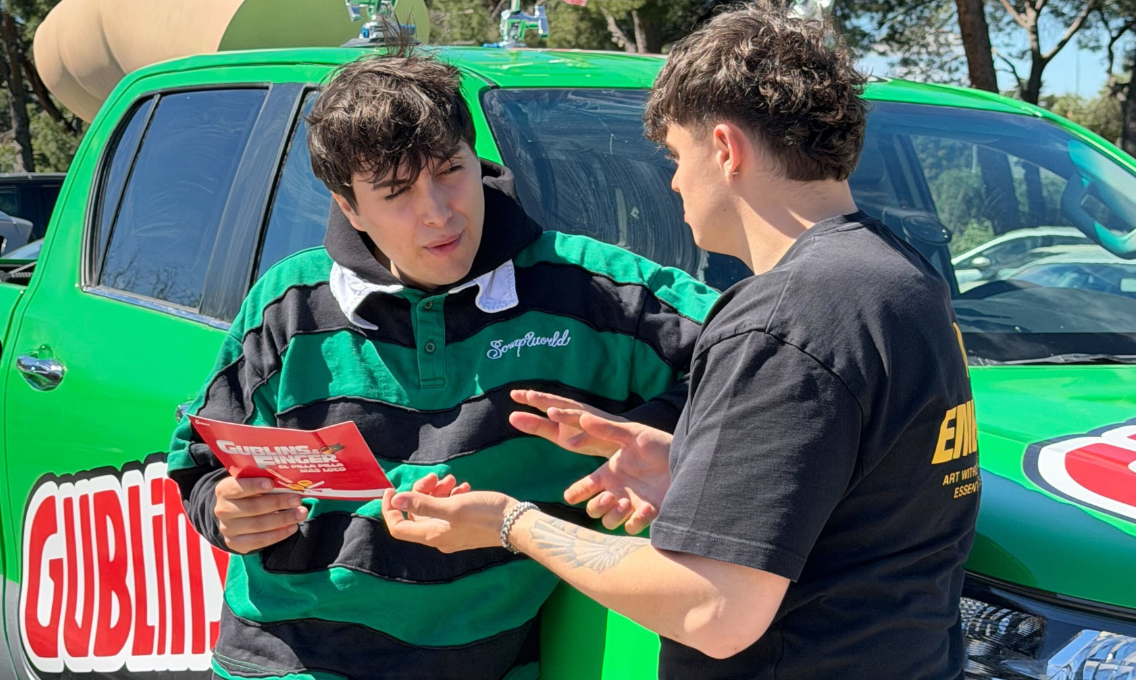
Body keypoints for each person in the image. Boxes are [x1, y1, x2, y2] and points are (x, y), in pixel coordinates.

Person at [382, 5, 981, 680]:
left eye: (674, 154)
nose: (672, 182)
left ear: (724, 148)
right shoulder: (902, 279)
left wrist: (509, 522)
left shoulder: (785, 318)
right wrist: (695, 462)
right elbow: (863, 495)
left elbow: (713, 610)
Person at [166, 47, 716, 680]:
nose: (438, 211)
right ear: (349, 207)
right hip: (284, 660)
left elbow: (761, 358)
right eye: (396, 192)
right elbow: (199, 458)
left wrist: (654, 434)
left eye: (451, 170)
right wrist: (224, 509)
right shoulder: (285, 306)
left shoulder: (594, 291)